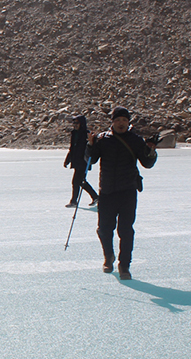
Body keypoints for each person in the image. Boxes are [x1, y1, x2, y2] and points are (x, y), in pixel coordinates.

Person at [87, 106, 158, 280]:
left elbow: (147, 164)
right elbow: (91, 159)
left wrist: (150, 150)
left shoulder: (135, 140)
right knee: (104, 229)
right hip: (107, 191)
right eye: (118, 120)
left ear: (129, 123)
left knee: (126, 230)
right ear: (112, 122)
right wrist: (90, 144)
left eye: (124, 121)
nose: (121, 124)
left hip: (127, 192)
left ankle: (124, 265)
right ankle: (108, 256)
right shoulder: (103, 139)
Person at [64, 114, 98, 208]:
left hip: (83, 161)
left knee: (77, 181)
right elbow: (72, 148)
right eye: (73, 123)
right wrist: (68, 159)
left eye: (76, 123)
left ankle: (74, 201)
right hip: (76, 160)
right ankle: (95, 197)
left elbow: (92, 148)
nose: (74, 125)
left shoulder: (87, 134)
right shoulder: (74, 133)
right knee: (80, 181)